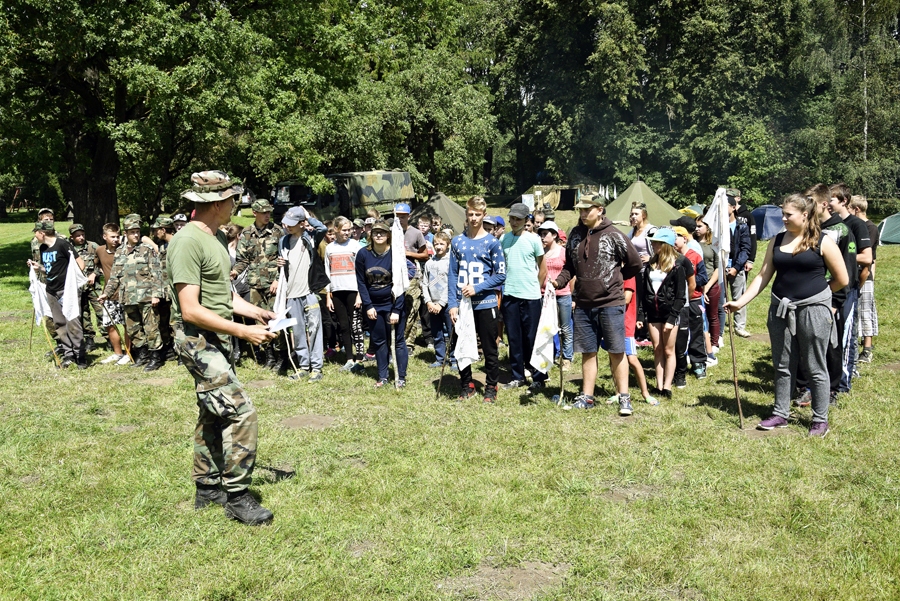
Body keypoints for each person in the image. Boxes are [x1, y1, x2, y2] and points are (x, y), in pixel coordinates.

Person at [170, 170, 278, 525]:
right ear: (216, 204)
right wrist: (244, 333)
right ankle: (237, 496)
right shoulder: (187, 241)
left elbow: (225, 297)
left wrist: (256, 312)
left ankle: (207, 488)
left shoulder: (215, 237)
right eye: (232, 199)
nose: (237, 204)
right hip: (195, 338)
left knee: (212, 411)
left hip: (216, 335)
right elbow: (190, 309)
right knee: (241, 410)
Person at [726, 194, 848, 437]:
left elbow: (842, 279)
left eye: (787, 214)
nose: (783, 218)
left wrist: (817, 297)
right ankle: (780, 413)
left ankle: (820, 419)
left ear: (805, 215)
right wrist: (740, 302)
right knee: (783, 365)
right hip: (780, 309)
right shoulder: (778, 239)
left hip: (813, 310)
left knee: (815, 365)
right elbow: (763, 275)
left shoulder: (823, 241)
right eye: (782, 213)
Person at [552, 194, 642, 415]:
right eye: (580, 210)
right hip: (582, 303)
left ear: (600, 209)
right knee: (587, 351)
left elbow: (635, 263)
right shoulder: (575, 235)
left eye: (587, 210)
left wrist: (614, 281)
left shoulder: (614, 235)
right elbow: (569, 267)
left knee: (616, 351)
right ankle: (587, 396)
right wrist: (558, 282)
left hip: (611, 303)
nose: (583, 214)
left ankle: (624, 397)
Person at [449, 196, 507, 403]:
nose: (473, 218)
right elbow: (452, 275)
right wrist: (452, 304)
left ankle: (491, 386)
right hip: (462, 305)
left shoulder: (492, 243)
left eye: (477, 214)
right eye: (470, 214)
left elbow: (501, 275)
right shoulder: (457, 242)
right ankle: (467, 384)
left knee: (490, 347)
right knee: (461, 345)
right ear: (466, 214)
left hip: (486, 302)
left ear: (484, 215)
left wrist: (477, 288)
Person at [99, 214, 165, 372]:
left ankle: (155, 357)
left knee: (151, 328)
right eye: (132, 232)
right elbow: (115, 277)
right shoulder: (120, 252)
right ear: (125, 233)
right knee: (133, 329)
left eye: (137, 231)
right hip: (127, 298)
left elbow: (157, 273)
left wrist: (156, 294)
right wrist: (106, 294)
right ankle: (142, 355)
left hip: (146, 296)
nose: (136, 234)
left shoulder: (147, 249)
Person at [356, 220, 414, 387]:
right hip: (373, 306)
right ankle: (383, 376)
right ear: (370, 235)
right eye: (375, 232)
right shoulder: (362, 254)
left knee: (398, 341)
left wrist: (396, 309)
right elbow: (361, 282)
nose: (379, 235)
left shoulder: (396, 254)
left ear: (388, 235)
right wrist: (368, 305)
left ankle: (401, 377)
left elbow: (401, 283)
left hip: (393, 304)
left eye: (382, 232)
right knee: (379, 340)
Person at [500, 203, 547, 394]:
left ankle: (538, 377)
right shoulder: (504, 239)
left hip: (531, 297)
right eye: (511, 218)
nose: (514, 222)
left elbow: (542, 269)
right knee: (514, 338)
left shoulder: (534, 239)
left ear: (526, 220)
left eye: (518, 219)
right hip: (510, 295)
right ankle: (517, 376)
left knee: (533, 338)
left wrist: (535, 287)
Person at [277, 206, 329, 382]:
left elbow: (323, 229)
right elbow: (284, 265)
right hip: (291, 294)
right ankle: (303, 366)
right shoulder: (283, 241)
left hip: (309, 292)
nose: (288, 227)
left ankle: (317, 367)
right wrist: (280, 263)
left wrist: (307, 216)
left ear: (301, 223)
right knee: (298, 331)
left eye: (293, 224)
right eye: (287, 223)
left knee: (314, 329)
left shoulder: (311, 236)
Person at [829, 183, 872, 390]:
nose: (828, 203)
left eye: (832, 199)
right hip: (830, 285)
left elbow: (867, 257)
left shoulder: (856, 224)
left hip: (849, 287)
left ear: (844, 201)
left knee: (846, 335)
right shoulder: (829, 225)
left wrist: (838, 258)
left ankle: (843, 383)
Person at [28, 221, 87, 369]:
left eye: (36, 232)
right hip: (51, 290)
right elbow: (49, 270)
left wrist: (72, 282)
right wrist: (39, 267)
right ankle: (68, 354)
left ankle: (80, 355)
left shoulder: (62, 244)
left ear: (42, 233)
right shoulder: (43, 248)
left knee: (73, 322)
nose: (35, 235)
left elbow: (80, 263)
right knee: (59, 323)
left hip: (67, 290)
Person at [232, 199, 283, 369]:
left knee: (277, 319)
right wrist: (234, 272)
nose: (267, 215)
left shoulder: (278, 231)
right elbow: (243, 260)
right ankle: (269, 355)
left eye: (269, 212)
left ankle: (281, 355)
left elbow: (284, 259)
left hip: (274, 284)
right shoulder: (246, 233)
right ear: (255, 213)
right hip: (255, 284)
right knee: (261, 321)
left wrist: (277, 278)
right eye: (264, 212)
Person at [638, 228, 687, 399]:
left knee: (668, 350)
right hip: (653, 314)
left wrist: (672, 318)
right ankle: (658, 386)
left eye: (656, 242)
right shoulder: (650, 265)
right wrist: (640, 315)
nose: (653, 245)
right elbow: (643, 293)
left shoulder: (677, 266)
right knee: (657, 349)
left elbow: (681, 296)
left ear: (664, 245)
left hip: (669, 315)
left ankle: (668, 386)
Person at [325, 216, 365, 373]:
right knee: (344, 326)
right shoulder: (330, 248)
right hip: (337, 290)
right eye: (344, 230)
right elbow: (328, 272)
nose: (347, 232)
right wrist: (328, 295)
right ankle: (349, 358)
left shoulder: (356, 246)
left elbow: (361, 272)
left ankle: (359, 358)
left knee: (356, 325)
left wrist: (360, 294)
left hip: (353, 290)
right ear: (336, 229)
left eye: (349, 229)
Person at [673, 226, 708, 381]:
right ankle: (677, 365)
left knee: (696, 332)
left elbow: (703, 277)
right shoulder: (671, 257)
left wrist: (688, 282)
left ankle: (698, 363)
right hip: (677, 303)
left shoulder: (695, 256)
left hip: (693, 300)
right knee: (679, 335)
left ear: (684, 238)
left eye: (676, 237)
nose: (673, 241)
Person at [537, 220, 573, 371]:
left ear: (554, 235)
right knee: (547, 327)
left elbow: (571, 273)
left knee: (565, 327)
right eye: (541, 234)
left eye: (546, 234)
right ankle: (549, 355)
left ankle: (567, 358)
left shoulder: (563, 252)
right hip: (544, 295)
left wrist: (574, 297)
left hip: (562, 294)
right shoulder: (540, 252)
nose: (543, 237)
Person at [394, 203, 429, 349]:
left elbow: (425, 254)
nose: (400, 220)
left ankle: (408, 342)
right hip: (394, 275)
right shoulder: (390, 232)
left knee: (412, 307)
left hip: (412, 275)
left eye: (403, 217)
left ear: (408, 216)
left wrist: (407, 253)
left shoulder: (416, 233)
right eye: (397, 217)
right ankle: (396, 338)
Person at [93, 223, 129, 364]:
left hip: (125, 294)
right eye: (112, 236)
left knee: (127, 325)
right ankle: (117, 353)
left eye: (117, 236)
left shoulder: (125, 250)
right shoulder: (100, 251)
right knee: (110, 325)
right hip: (108, 294)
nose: (115, 239)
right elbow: (96, 266)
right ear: (104, 237)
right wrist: (94, 275)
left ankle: (129, 353)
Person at [849, 196, 879, 363]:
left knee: (866, 311)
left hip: (865, 276)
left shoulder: (870, 228)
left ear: (856, 209)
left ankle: (867, 349)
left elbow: (869, 259)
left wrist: (865, 278)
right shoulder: (853, 226)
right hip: (853, 274)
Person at [68, 223, 106, 352]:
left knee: (101, 311)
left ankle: (108, 336)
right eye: (78, 236)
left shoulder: (93, 246)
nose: (81, 237)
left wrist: (95, 274)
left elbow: (103, 263)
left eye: (82, 234)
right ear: (72, 237)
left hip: (93, 286)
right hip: (77, 287)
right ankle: (89, 338)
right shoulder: (68, 248)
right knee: (83, 313)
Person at [423, 231, 455, 370]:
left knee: (452, 331)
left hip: (447, 304)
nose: (438, 246)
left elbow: (451, 284)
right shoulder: (429, 263)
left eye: (442, 244)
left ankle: (454, 358)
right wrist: (428, 301)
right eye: (436, 243)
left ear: (448, 245)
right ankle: (440, 358)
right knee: (436, 332)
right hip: (432, 304)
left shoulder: (451, 262)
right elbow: (424, 283)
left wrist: (441, 304)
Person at [694, 217, 721, 366]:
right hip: (698, 285)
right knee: (701, 317)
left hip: (712, 284)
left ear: (708, 227)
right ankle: (703, 343)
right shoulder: (693, 243)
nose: (697, 229)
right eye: (696, 226)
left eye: (700, 226)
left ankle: (714, 343)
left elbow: (718, 268)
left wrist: (708, 286)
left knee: (712, 315)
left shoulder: (714, 244)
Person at [726, 193, 752, 337]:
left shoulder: (741, 226)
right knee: (720, 299)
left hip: (737, 266)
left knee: (739, 297)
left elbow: (745, 248)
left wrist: (737, 267)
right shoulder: (717, 227)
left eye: (726, 206)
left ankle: (739, 326)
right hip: (720, 267)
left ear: (734, 207)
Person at [151, 217, 177, 361]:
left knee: (176, 322)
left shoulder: (177, 243)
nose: (155, 233)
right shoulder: (161, 245)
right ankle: (169, 349)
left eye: (156, 230)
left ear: (163, 229)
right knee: (164, 321)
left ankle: (181, 351)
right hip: (163, 290)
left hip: (176, 289)